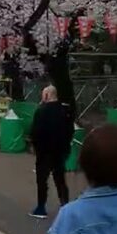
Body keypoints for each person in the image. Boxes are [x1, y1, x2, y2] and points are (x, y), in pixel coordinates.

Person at [28, 86, 74, 219]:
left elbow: (35, 133)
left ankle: (41, 208)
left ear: (47, 95)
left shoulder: (42, 111)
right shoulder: (66, 110)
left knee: (42, 180)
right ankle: (65, 205)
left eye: (43, 95)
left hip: (44, 152)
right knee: (60, 179)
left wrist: (35, 147)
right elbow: (70, 131)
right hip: (61, 151)